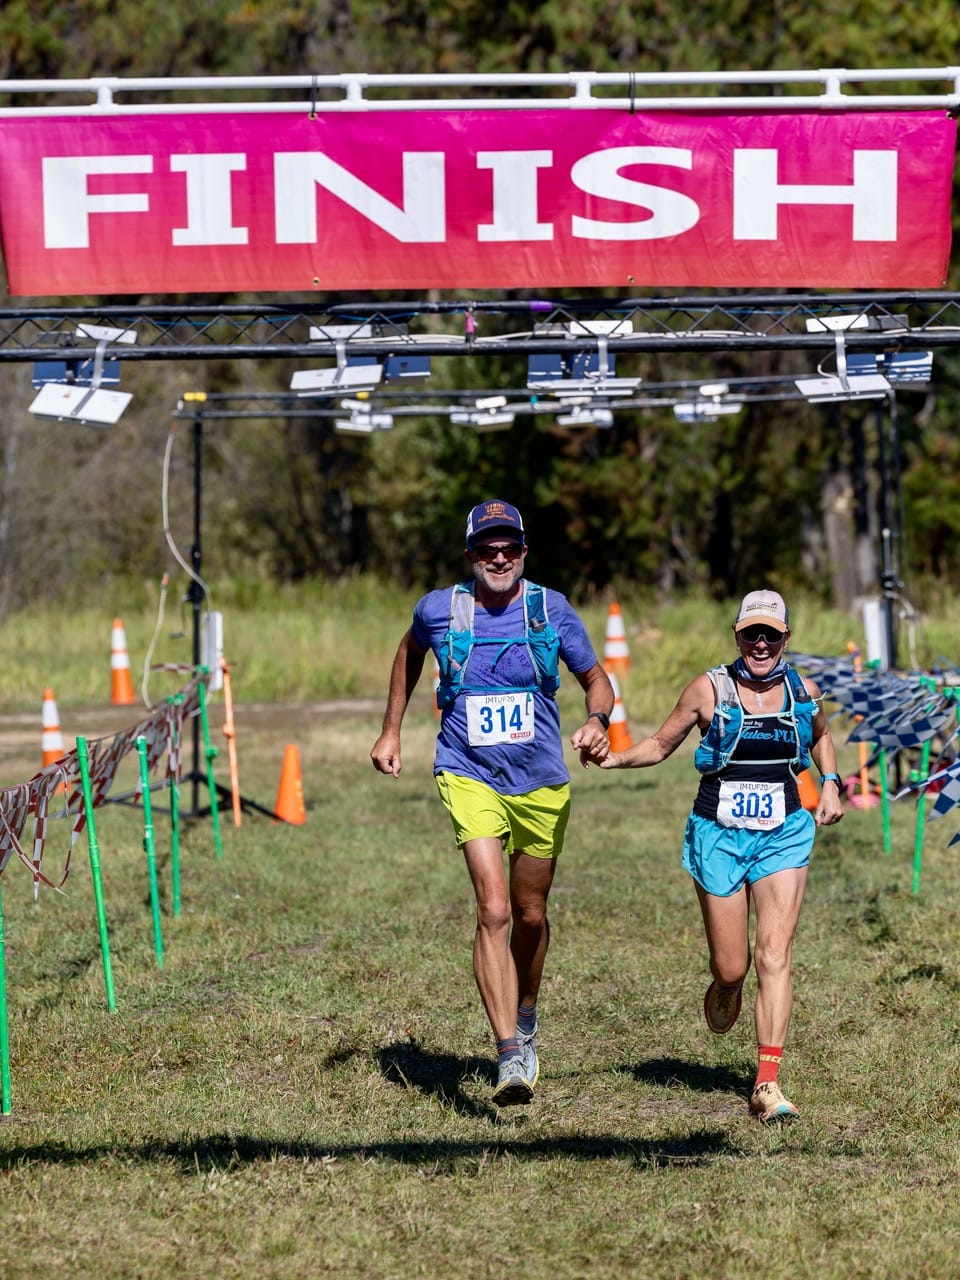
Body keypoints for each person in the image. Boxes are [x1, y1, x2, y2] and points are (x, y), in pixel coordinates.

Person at [371, 499, 614, 1107]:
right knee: (494, 909)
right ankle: (509, 1054)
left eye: (509, 548)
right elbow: (407, 654)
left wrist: (598, 719)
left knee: (530, 915)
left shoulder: (549, 609)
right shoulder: (439, 609)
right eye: (487, 548)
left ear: (524, 553)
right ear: (470, 555)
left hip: (539, 781)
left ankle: (525, 1012)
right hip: (467, 771)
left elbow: (596, 678)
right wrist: (392, 729)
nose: (498, 557)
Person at [600, 589, 843, 1123]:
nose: (761, 643)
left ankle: (767, 1084)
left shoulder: (803, 689)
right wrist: (614, 759)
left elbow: (822, 737)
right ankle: (725, 984)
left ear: (785, 638)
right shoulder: (709, 689)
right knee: (734, 964)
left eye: (771, 635)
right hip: (718, 834)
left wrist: (830, 782)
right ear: (737, 635)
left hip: (783, 831)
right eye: (751, 633)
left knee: (774, 955)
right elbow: (661, 744)